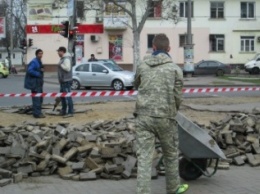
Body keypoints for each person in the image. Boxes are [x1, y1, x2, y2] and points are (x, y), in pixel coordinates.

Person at [134, 34, 189, 194]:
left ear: (154, 48)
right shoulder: (175, 69)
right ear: (169, 49)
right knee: (170, 155)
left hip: (143, 118)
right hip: (166, 118)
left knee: (144, 157)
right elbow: (178, 96)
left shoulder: (142, 66)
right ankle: (173, 190)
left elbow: (136, 84)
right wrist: (172, 110)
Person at [24, 49, 45, 118]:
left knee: (40, 98)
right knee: (37, 99)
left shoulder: (39, 61)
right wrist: (38, 73)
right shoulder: (34, 62)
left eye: (41, 53)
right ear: (36, 54)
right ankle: (37, 114)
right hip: (35, 84)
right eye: (39, 53)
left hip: (39, 83)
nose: (41, 55)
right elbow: (30, 70)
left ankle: (38, 112)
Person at [57, 46, 74, 118]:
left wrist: (61, 65)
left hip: (66, 80)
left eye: (58, 51)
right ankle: (63, 110)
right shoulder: (63, 58)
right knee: (62, 97)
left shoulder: (66, 59)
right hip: (63, 80)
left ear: (62, 51)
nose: (58, 53)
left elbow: (67, 68)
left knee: (67, 97)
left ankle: (70, 112)